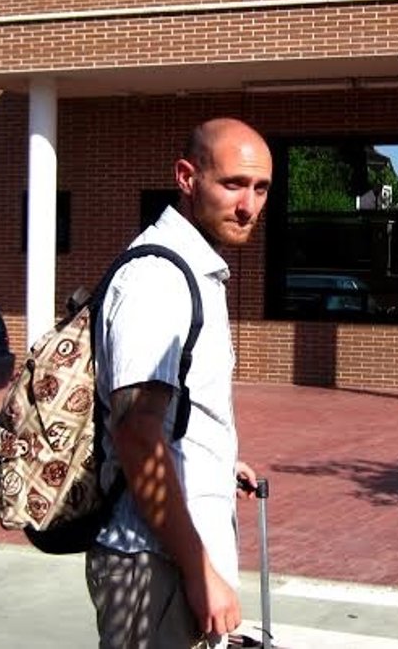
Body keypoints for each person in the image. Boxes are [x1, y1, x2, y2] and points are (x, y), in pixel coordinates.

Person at [86, 117, 273, 648]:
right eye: (233, 184)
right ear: (187, 178)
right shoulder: (158, 280)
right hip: (153, 561)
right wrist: (199, 572)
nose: (249, 206)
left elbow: (169, 414)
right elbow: (136, 433)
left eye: (261, 188)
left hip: (172, 552)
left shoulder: (195, 269)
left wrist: (215, 461)